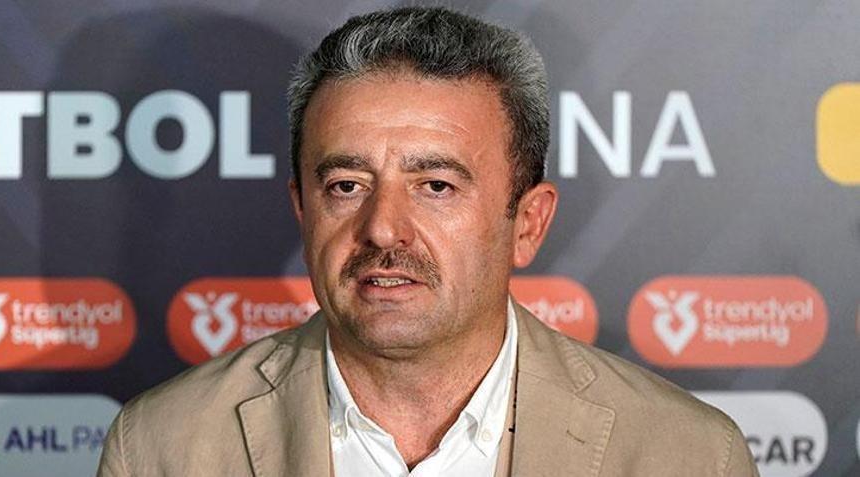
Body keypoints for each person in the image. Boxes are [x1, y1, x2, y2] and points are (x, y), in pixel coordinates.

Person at [97, 6, 758, 476]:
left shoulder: (688, 456)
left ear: (527, 223)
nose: (383, 227)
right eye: (347, 185)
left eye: (435, 186)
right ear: (302, 210)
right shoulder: (162, 448)